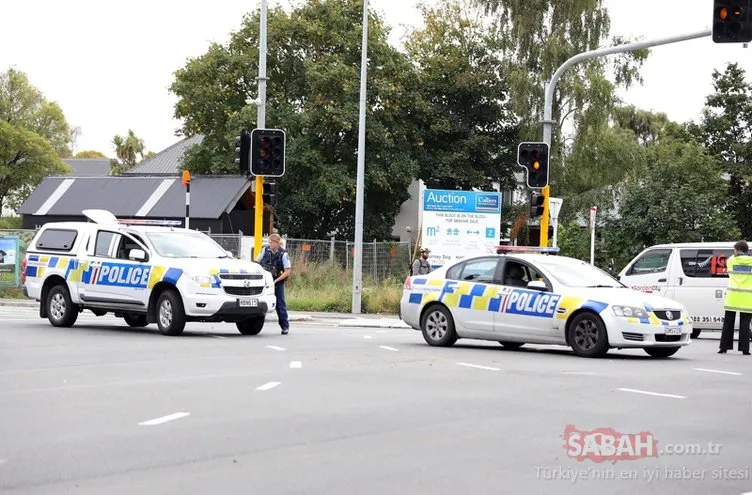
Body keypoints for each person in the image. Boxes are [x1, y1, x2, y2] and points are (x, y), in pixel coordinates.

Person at [719, 240, 752, 355]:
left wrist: (737, 254)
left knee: (728, 322)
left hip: (733, 296)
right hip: (747, 298)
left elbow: (730, 266)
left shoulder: (731, 260)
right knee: (745, 324)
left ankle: (724, 347)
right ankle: (745, 349)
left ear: (737, 250)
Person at [256, 233, 292, 335]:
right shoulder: (265, 250)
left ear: (277, 243)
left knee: (280, 304)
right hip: (265, 281)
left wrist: (276, 280)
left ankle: (285, 327)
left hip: (277, 282)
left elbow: (287, 271)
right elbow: (257, 262)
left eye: (271, 242)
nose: (269, 244)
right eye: (269, 242)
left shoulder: (283, 254)